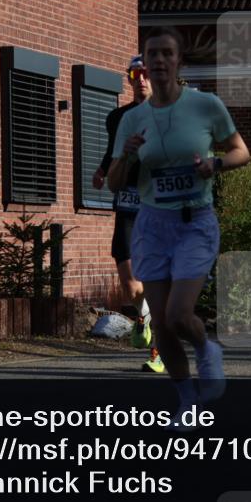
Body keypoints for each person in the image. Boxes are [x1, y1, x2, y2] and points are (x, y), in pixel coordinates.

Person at [108, 27, 250, 429]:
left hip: (194, 221)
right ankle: (186, 400)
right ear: (145, 66)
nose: (159, 61)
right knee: (162, 325)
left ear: (179, 62)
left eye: (167, 53)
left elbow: (241, 151)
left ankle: (207, 348)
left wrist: (215, 164)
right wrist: (128, 157)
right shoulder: (132, 118)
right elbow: (116, 183)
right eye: (152, 54)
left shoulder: (206, 106)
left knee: (177, 313)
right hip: (153, 224)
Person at [93, 55, 164, 373]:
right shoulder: (117, 117)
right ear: (129, 78)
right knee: (131, 286)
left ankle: (157, 354)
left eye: (147, 74)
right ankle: (144, 317)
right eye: (136, 73)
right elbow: (113, 151)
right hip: (126, 204)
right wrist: (102, 169)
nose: (142, 79)